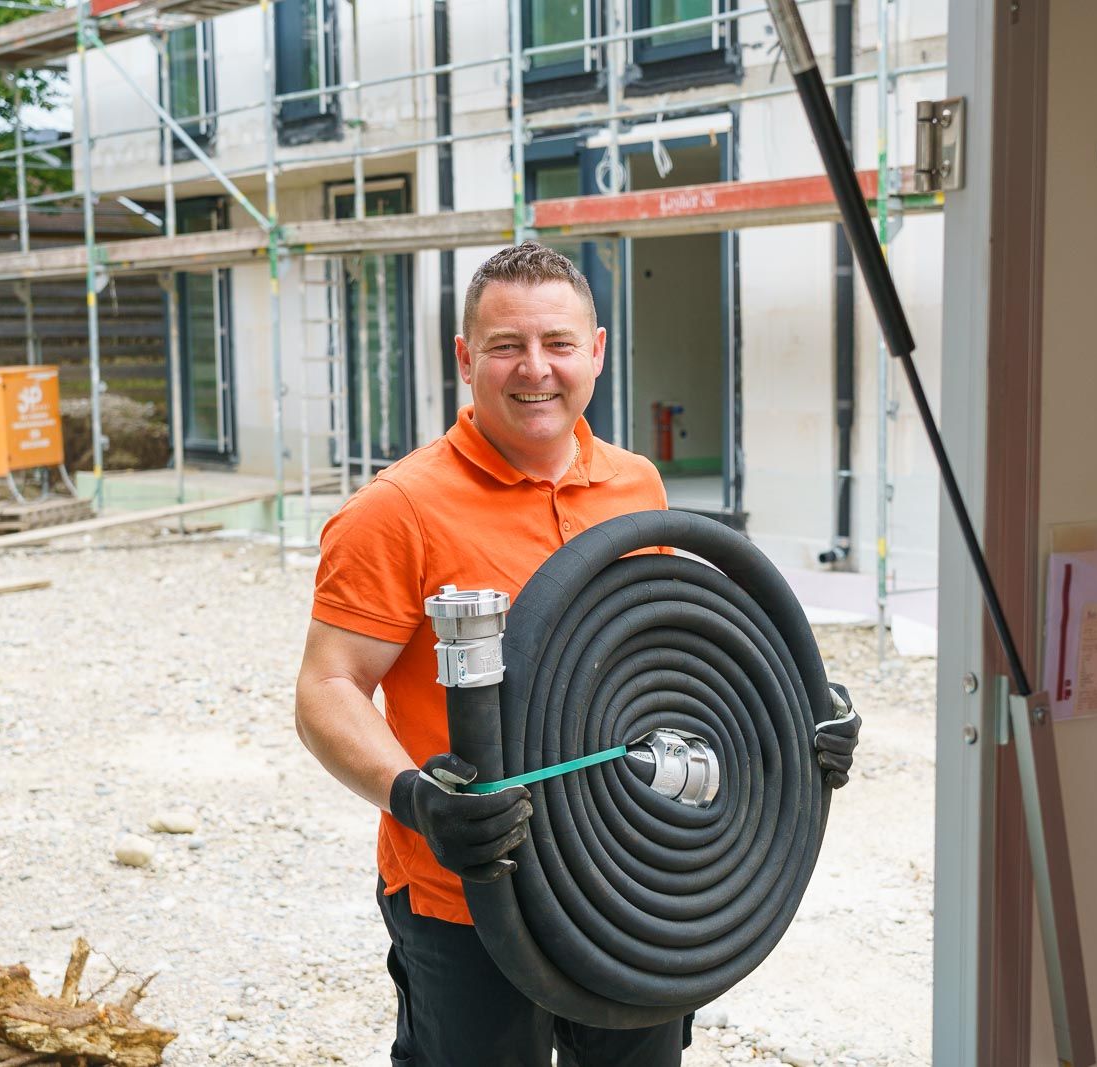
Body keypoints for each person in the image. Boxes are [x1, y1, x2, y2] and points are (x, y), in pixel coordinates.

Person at [294, 242, 860, 1067]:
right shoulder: (398, 508)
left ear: (595, 351)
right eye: (506, 345)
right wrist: (417, 800)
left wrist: (798, 729)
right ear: (465, 359)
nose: (536, 368)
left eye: (558, 342)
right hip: (468, 893)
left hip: (628, 881)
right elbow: (327, 686)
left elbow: (668, 672)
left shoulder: (636, 487)